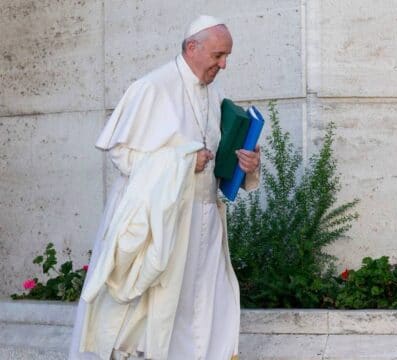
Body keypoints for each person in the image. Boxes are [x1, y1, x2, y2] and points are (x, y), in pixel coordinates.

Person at [69, 15, 260, 360]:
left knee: (204, 306)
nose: (224, 64)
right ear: (192, 47)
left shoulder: (214, 95)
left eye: (226, 55)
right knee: (156, 311)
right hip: (162, 223)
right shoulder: (152, 87)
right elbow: (122, 156)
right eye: (218, 55)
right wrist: (184, 161)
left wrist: (245, 164)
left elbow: (218, 159)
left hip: (205, 222)